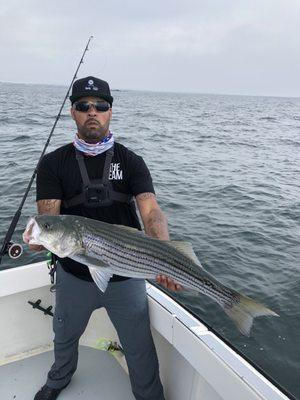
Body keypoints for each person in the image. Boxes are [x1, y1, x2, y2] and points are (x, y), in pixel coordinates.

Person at [25, 76, 182, 400]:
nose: (92, 112)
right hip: (74, 275)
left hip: (126, 275)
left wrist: (166, 255)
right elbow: (49, 219)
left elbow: (151, 212)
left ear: (110, 111)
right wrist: (39, 239)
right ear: (73, 112)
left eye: (101, 106)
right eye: (84, 106)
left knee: (139, 346)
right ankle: (58, 379)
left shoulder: (131, 161)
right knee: (64, 334)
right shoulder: (54, 163)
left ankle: (150, 396)